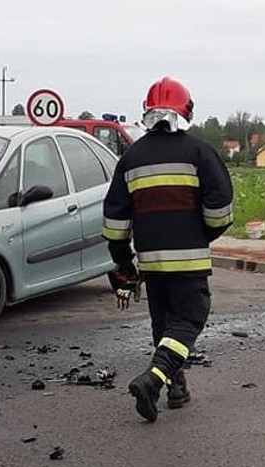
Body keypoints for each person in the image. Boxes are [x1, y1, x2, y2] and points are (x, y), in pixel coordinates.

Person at [102, 76, 234, 423]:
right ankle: (153, 379)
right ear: (186, 111)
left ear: (147, 112)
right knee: (188, 320)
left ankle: (176, 388)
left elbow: (115, 219)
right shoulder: (199, 153)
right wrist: (200, 234)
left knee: (164, 325)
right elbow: (221, 208)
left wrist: (124, 263)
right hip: (189, 260)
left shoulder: (131, 159)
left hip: (150, 263)